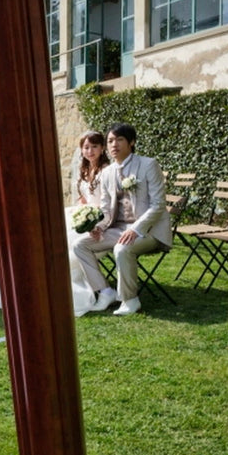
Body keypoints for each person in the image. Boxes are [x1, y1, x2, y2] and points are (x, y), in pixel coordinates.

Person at [0, 130, 109, 316]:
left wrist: (91, 216)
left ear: (102, 148)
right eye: (86, 147)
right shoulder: (84, 170)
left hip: (101, 219)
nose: (90, 151)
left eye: (94, 147)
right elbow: (83, 199)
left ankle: (62, 291)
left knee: (66, 249)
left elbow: (108, 202)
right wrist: (81, 212)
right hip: (84, 214)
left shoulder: (108, 170)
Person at [72, 122, 171, 316]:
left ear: (131, 142)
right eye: (110, 140)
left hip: (148, 230)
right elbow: (106, 208)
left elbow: (158, 205)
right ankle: (105, 291)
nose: (113, 144)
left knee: (122, 248)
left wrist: (135, 229)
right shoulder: (107, 172)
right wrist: (99, 226)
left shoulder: (148, 164)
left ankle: (130, 300)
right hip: (117, 228)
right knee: (80, 245)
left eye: (119, 139)